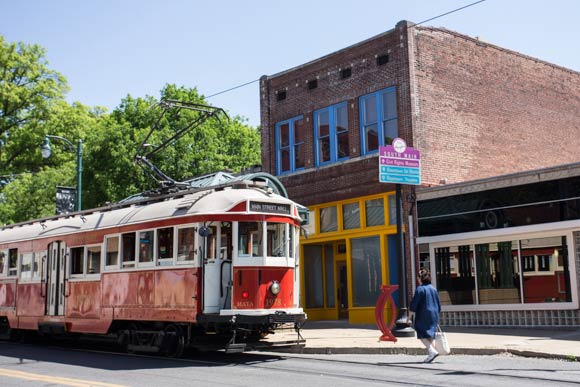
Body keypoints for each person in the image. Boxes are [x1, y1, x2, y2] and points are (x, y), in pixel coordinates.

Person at [407, 270, 441, 363]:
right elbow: (438, 303)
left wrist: (409, 318)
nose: (417, 280)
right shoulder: (433, 289)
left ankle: (432, 351)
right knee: (431, 333)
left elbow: (414, 304)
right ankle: (433, 353)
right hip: (434, 313)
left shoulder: (420, 289)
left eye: (418, 278)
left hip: (424, 313)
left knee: (420, 331)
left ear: (420, 278)